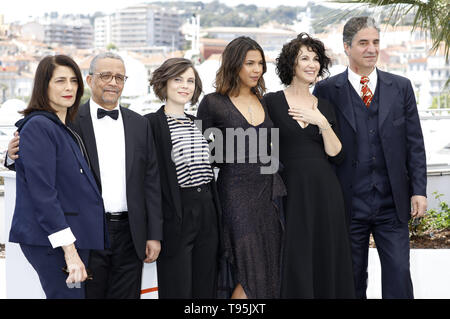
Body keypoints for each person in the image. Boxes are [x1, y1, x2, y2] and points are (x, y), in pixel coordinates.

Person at [6, 52, 163, 299]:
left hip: (130, 233)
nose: (113, 82)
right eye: (106, 76)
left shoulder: (139, 124)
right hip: (84, 232)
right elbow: (42, 176)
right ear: (90, 81)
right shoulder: (67, 119)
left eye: (119, 77)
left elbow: (151, 181)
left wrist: (153, 234)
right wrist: (11, 156)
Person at [312, 16, 427, 299]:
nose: (371, 49)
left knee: (399, 274)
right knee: (350, 278)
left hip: (392, 201)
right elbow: (319, 147)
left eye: (375, 42)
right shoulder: (327, 90)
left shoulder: (401, 87)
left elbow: (414, 143)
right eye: (363, 43)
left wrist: (419, 191)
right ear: (346, 47)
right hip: (347, 201)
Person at [264, 32, 355, 298]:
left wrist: (321, 122)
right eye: (304, 58)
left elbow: (337, 154)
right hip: (290, 191)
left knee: (327, 252)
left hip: (325, 191)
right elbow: (262, 150)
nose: (312, 64)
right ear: (291, 63)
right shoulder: (271, 102)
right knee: (296, 252)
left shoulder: (325, 106)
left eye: (316, 59)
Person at [8, 55, 105, 299]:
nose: (69, 87)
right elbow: (43, 193)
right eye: (60, 80)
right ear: (44, 85)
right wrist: (69, 251)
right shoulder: (40, 126)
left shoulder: (61, 127)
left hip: (70, 237)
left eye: (73, 80)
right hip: (55, 242)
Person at [197, 36, 286, 299]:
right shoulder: (212, 103)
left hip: (269, 198)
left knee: (269, 270)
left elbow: (274, 148)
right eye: (250, 63)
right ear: (235, 64)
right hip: (235, 196)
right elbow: (201, 154)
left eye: (260, 63)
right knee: (249, 271)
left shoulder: (265, 101)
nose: (257, 69)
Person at [145, 58, 221, 298]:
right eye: (178, 79)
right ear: (164, 82)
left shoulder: (198, 124)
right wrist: (153, 232)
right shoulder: (150, 124)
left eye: (190, 80)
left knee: (205, 286)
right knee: (176, 287)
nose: (184, 85)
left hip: (207, 210)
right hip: (176, 214)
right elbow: (148, 182)